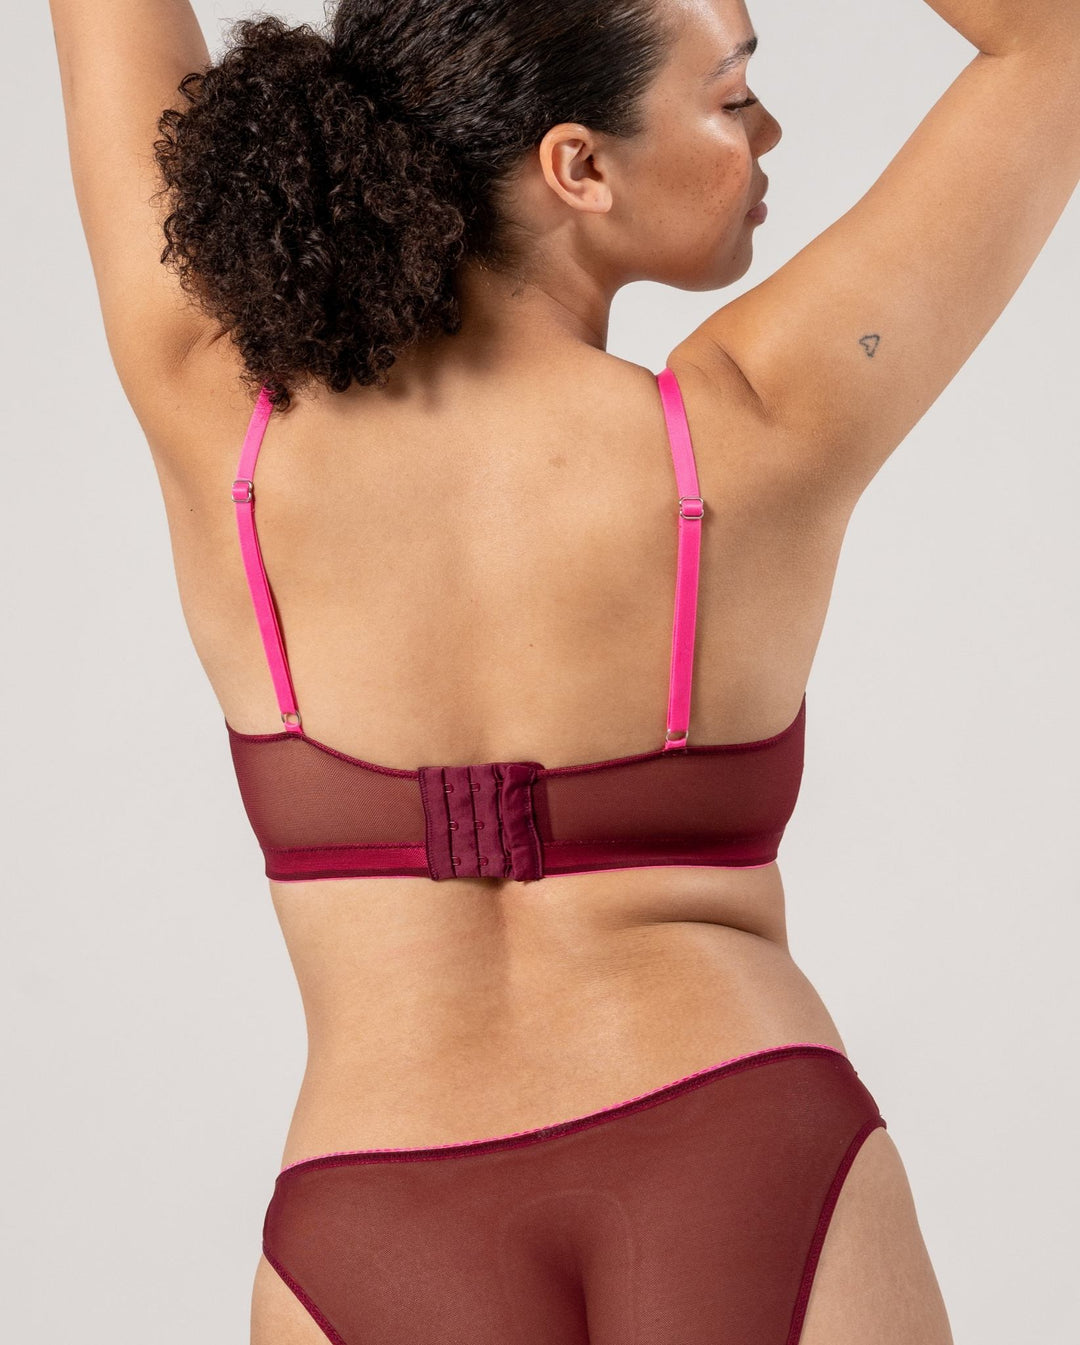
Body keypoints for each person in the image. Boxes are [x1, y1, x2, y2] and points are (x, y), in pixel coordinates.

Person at [47, 0, 1078, 1340]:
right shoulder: (754, 425)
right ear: (578, 166)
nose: (768, 131)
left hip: (378, 1206)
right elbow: (1056, 41)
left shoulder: (219, 419)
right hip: (736, 1141)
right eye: (731, 95)